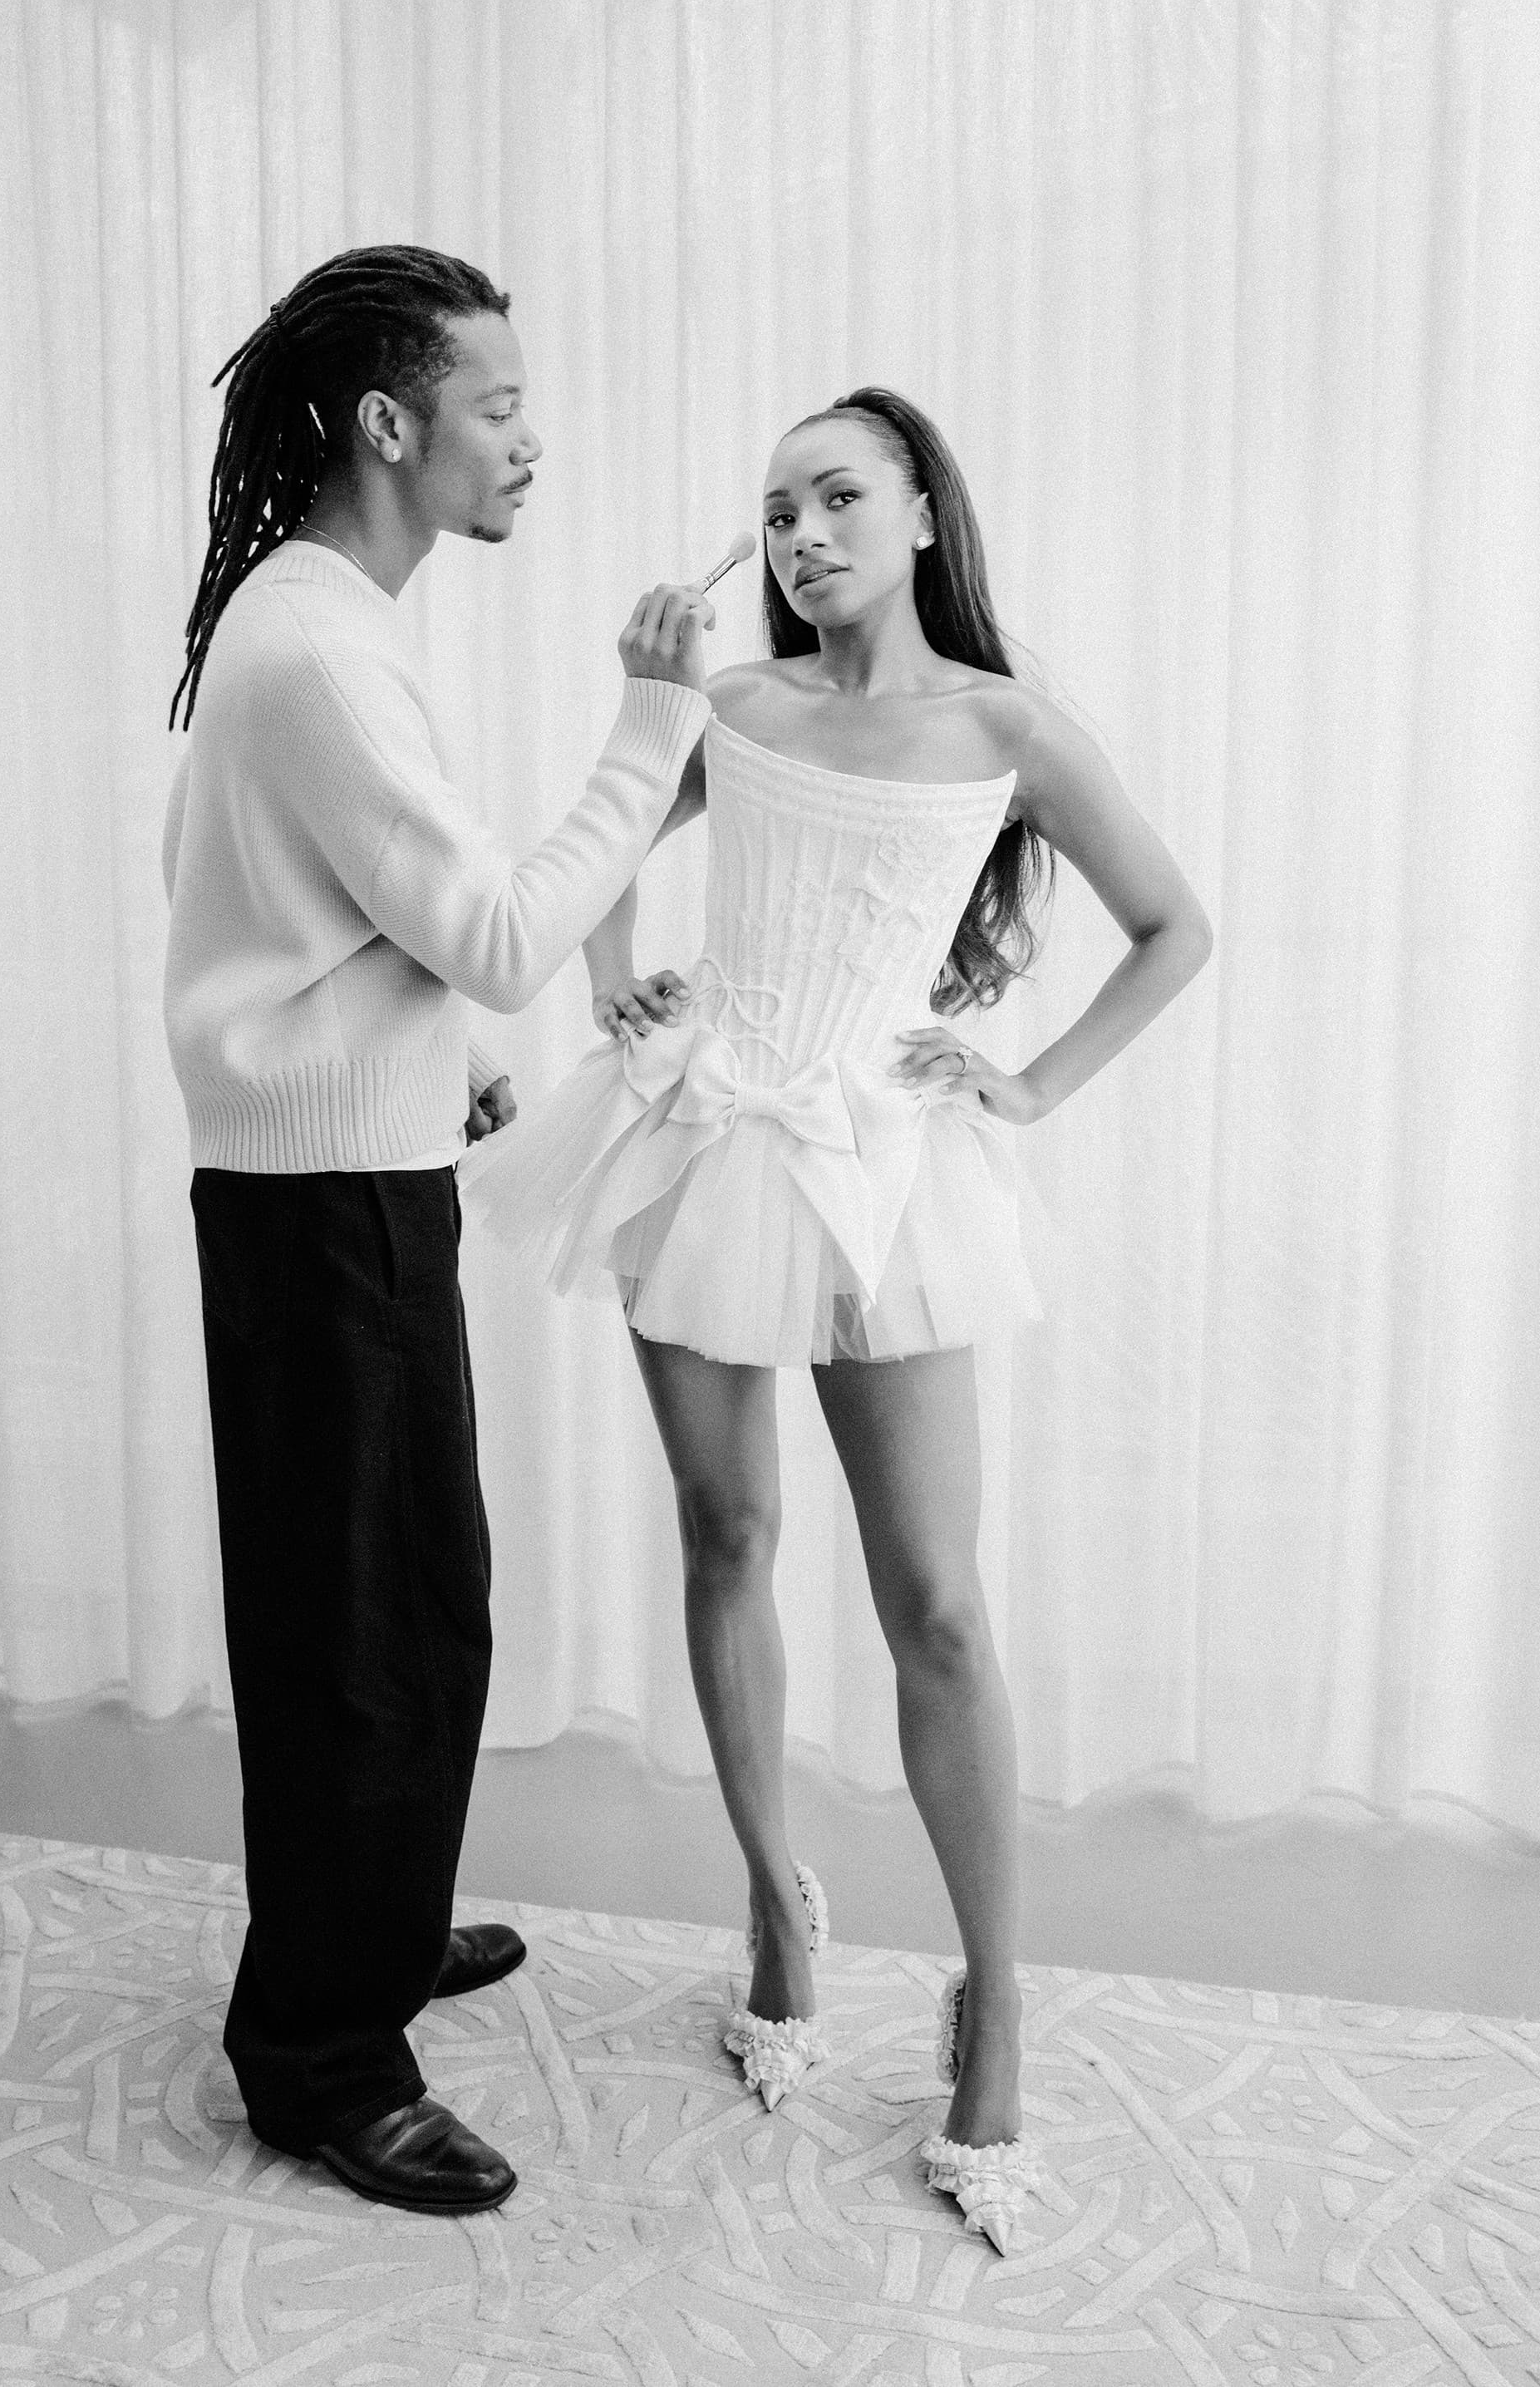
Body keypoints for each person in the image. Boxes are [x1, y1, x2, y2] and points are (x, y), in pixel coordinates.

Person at [460, 386, 1212, 2254]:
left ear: (922, 511)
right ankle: (776, 1902)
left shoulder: (1007, 729)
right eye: (777, 508)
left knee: (936, 1604)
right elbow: (600, 848)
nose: (801, 535)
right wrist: (622, 984)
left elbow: (1175, 927)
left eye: (838, 496)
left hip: (882, 1159)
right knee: (726, 1530)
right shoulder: (734, 702)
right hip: (704, 1133)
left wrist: (1027, 1087)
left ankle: (994, 1995)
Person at [160, 244, 713, 2216]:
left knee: (411, 1603)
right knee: (362, 1636)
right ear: (392, 423)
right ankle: (320, 2050)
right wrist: (651, 731)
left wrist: (442, 1053)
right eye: (500, 403)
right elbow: (487, 919)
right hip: (319, 1210)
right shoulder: (315, 642)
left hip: (349, 1176)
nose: (529, 439)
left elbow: (320, 902)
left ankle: (370, 1926)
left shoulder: (322, 618)